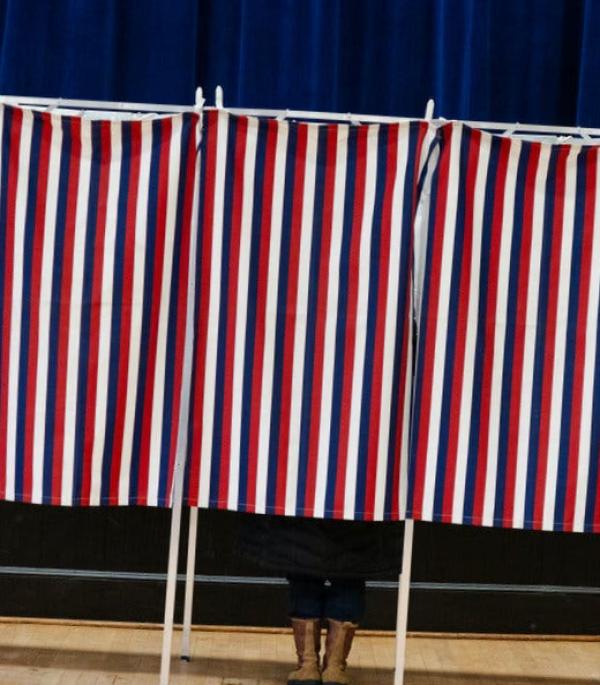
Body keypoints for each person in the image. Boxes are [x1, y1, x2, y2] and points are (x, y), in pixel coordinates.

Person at [238, 513, 404, 685]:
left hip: (305, 508)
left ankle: (307, 667)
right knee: (349, 575)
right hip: (355, 510)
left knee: (305, 568)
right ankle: (334, 668)